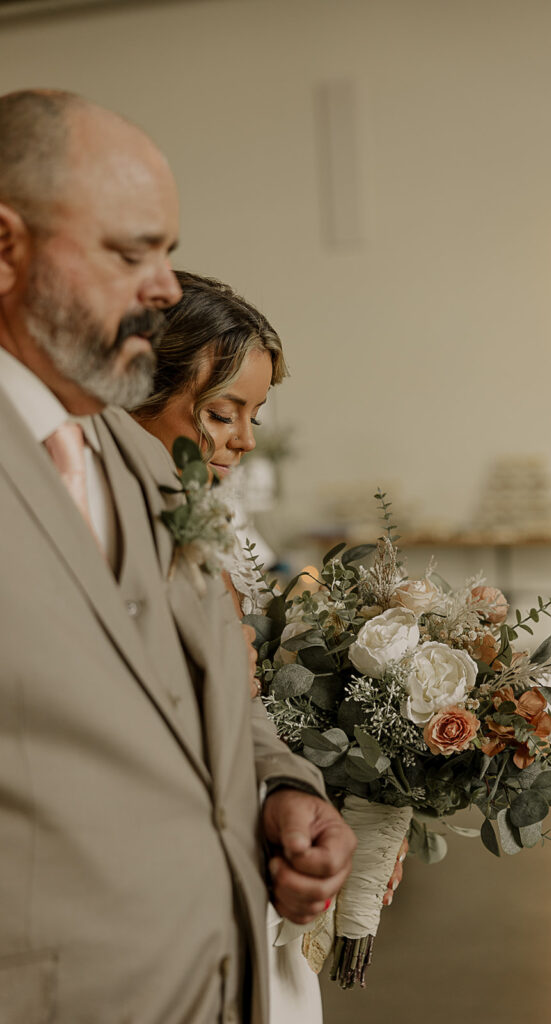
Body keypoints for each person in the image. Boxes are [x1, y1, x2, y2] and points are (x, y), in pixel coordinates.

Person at [0, 88, 355, 1024]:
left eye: (167, 253)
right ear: (5, 248)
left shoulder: (132, 458)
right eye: (131, 254)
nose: (164, 289)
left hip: (211, 972)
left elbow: (198, 680)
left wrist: (282, 786)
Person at [134, 271, 408, 1023]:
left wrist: (320, 791)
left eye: (253, 414)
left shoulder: (212, 535)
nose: (245, 440)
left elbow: (248, 694)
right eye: (223, 413)